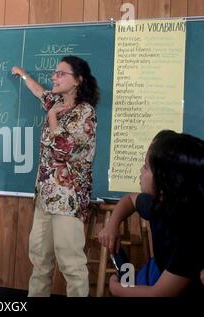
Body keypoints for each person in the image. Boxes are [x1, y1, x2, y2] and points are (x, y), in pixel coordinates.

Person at [11, 55, 99, 297]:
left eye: (61, 73)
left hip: (67, 200)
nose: (54, 77)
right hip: (45, 198)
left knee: (71, 265)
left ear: (78, 80)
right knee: (40, 262)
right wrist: (24, 74)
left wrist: (51, 117)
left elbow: (64, 148)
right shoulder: (56, 101)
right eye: (54, 73)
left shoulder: (85, 113)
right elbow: (39, 92)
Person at [98, 130, 204, 296]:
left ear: (166, 181)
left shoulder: (189, 233)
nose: (141, 171)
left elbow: (158, 293)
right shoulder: (158, 205)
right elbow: (130, 200)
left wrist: (116, 288)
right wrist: (113, 225)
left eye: (146, 167)